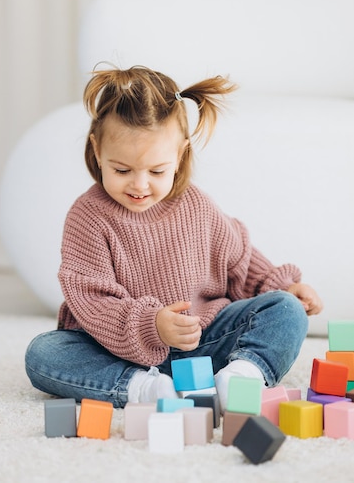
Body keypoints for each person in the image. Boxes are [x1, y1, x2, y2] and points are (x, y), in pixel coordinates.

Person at [25, 64, 322, 411]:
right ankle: (141, 389)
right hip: (118, 350)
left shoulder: (195, 205)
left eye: (156, 171)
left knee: (286, 311)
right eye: (121, 170)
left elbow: (240, 260)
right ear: (96, 150)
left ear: (179, 157)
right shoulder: (88, 217)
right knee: (43, 354)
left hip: (204, 339)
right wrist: (153, 325)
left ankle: (241, 377)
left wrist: (283, 286)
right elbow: (93, 300)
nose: (139, 184)